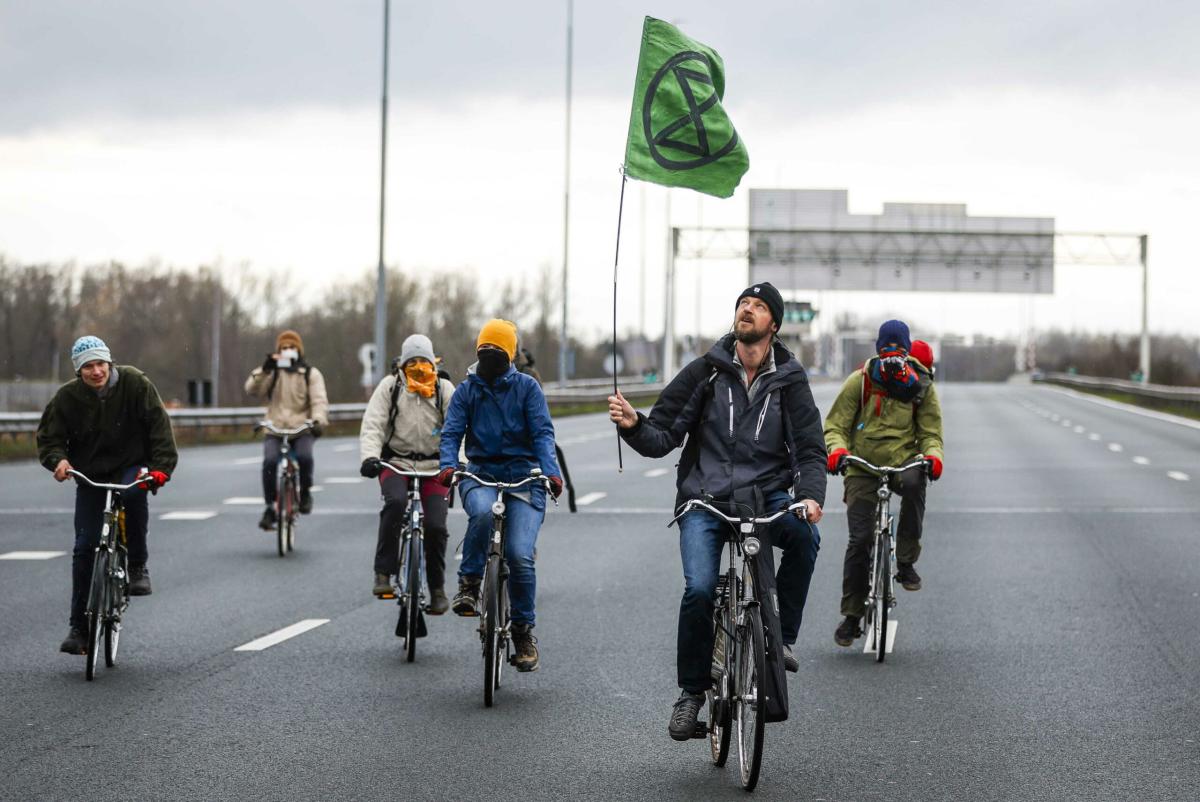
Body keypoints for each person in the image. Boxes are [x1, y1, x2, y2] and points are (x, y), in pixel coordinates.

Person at [608, 282, 827, 742]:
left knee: (806, 538)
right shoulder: (706, 372)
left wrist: (809, 496)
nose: (747, 310)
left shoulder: (790, 380)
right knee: (700, 589)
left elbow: (809, 451)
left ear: (774, 324)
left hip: (765, 497)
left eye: (759, 306)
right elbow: (662, 435)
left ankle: (779, 638)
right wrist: (633, 424)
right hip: (703, 499)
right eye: (743, 304)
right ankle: (691, 693)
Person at [36, 336, 177, 655]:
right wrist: (58, 461)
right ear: (79, 371)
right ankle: (79, 629)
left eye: (100, 364)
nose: (96, 371)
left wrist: (160, 468)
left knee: (134, 495)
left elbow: (159, 427)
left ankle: (138, 566)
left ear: (109, 363)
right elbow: (49, 439)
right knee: (84, 547)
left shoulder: (136, 384)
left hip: (130, 465)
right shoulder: (67, 398)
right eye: (88, 367)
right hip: (90, 473)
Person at [436, 319, 563, 673]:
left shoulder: (527, 389)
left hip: (525, 478)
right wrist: (449, 465)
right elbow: (451, 434)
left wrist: (551, 472)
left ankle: (523, 631)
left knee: (521, 556)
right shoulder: (467, 391)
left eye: (496, 352)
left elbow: (542, 433)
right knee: (479, 513)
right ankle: (469, 582)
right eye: (484, 352)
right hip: (481, 473)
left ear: (509, 354)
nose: (489, 358)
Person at [824, 320, 944, 647]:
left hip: (903, 460)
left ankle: (905, 562)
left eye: (899, 350)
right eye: (886, 349)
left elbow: (931, 432)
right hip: (863, 466)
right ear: (877, 350)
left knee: (917, 483)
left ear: (907, 352)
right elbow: (835, 425)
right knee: (860, 540)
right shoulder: (860, 381)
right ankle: (851, 615)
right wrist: (837, 451)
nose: (893, 355)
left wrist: (933, 456)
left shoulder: (920, 385)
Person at [359, 334, 456, 613]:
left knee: (436, 526)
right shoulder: (390, 387)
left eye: (423, 361)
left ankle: (437, 589)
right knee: (395, 503)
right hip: (397, 464)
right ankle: (383, 572)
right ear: (402, 364)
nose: (418, 366)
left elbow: (459, 429)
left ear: (432, 362)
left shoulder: (444, 388)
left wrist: (457, 463)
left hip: (435, 467)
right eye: (412, 361)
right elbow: (373, 424)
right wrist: (370, 458)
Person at [244, 330, 329, 530]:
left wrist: (317, 421)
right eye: (284, 348)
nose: (288, 351)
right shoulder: (272, 372)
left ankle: (306, 493)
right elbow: (251, 390)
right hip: (275, 427)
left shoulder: (310, 374)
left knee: (305, 457)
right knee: (269, 462)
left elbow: (319, 401)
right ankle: (270, 507)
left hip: (301, 427)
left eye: (291, 347)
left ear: (298, 350)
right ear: (278, 351)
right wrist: (265, 370)